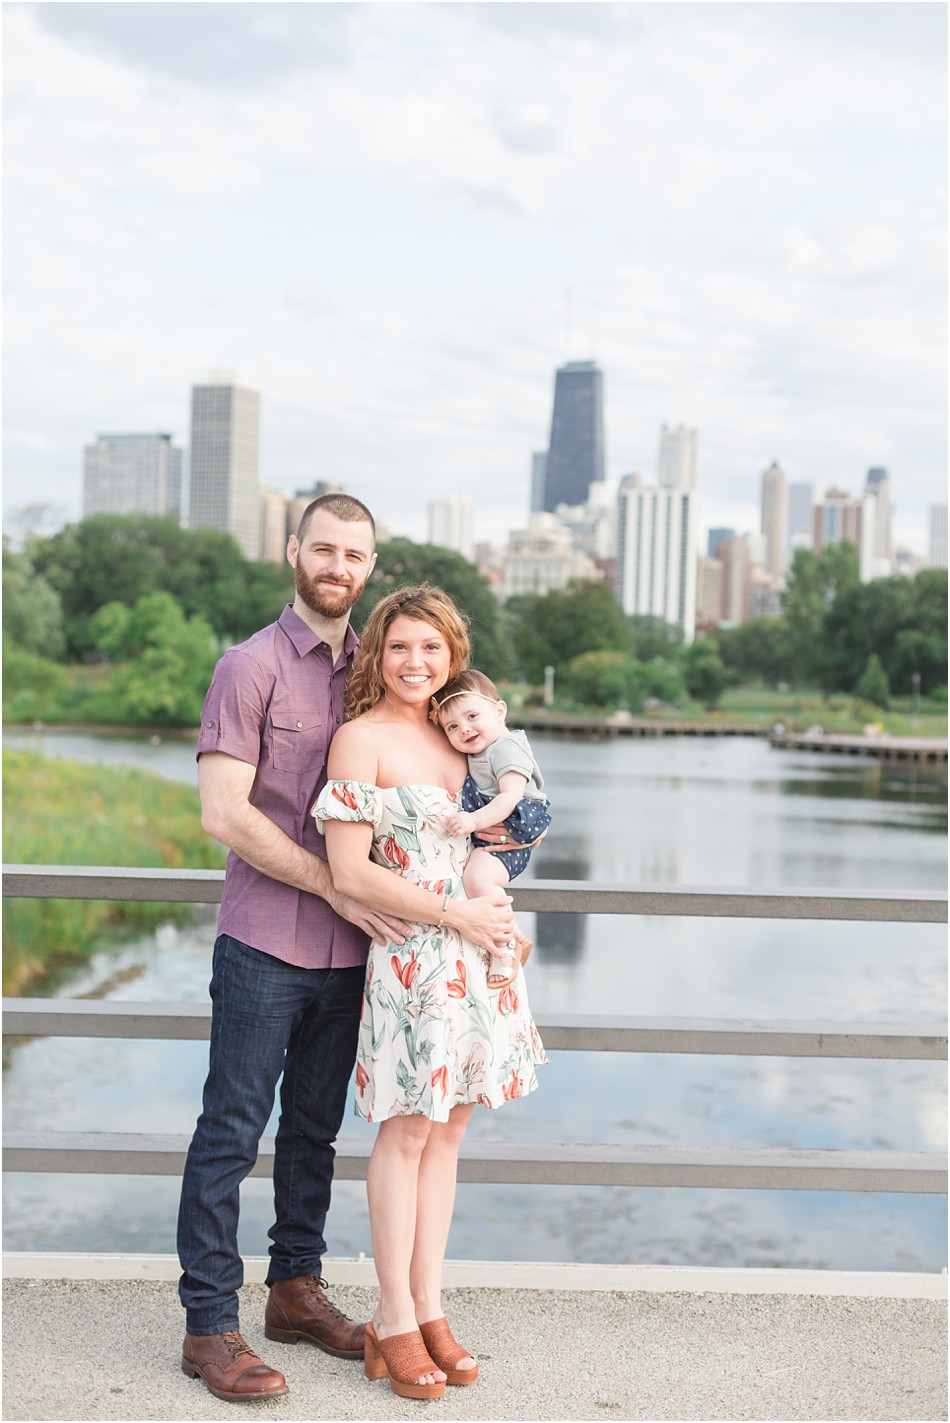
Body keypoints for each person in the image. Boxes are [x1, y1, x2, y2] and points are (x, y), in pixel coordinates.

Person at [177, 493, 431, 1404]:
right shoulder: (248, 667)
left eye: (355, 554)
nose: (339, 566)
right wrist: (332, 882)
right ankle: (210, 1326)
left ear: (370, 564)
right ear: (294, 552)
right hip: (262, 944)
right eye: (324, 549)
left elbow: (457, 769)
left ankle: (295, 1291)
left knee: (316, 1132)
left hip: (357, 956)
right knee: (230, 1133)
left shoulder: (384, 670)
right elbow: (223, 813)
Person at [313, 585, 547, 1401]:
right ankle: (392, 1315)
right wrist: (458, 913)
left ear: (456, 659)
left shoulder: (466, 739)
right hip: (413, 960)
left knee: (449, 1135)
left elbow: (521, 827)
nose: (417, 663)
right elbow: (349, 869)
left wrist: (499, 913)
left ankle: (431, 1305)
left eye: (433, 650)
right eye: (402, 646)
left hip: (478, 962)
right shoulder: (359, 738)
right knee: (406, 1136)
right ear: (377, 650)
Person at [433, 669, 552, 989]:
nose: (465, 728)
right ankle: (516, 935)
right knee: (475, 880)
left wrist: (472, 821)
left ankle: (504, 948)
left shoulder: (506, 748)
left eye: (473, 716)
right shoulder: (480, 749)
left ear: (500, 712)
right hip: (492, 827)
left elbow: (510, 798)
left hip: (514, 828)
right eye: (453, 726)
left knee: (478, 879)